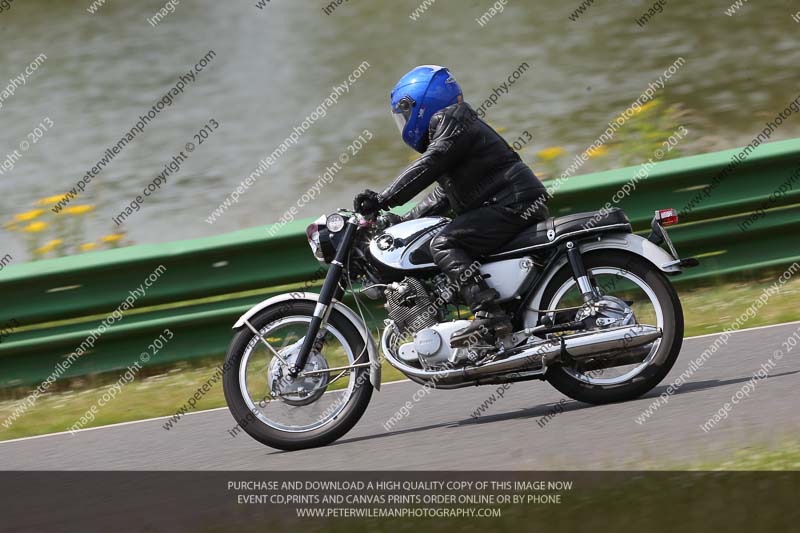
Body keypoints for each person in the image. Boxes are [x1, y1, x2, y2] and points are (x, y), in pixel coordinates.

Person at [355, 65, 549, 347]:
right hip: (512, 203)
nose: (404, 122)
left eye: (405, 114)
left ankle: (490, 315)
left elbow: (430, 163)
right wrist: (401, 222)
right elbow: (444, 197)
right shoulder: (454, 128)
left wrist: (382, 199)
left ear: (420, 104)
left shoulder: (451, 118)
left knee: (444, 243)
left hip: (512, 204)